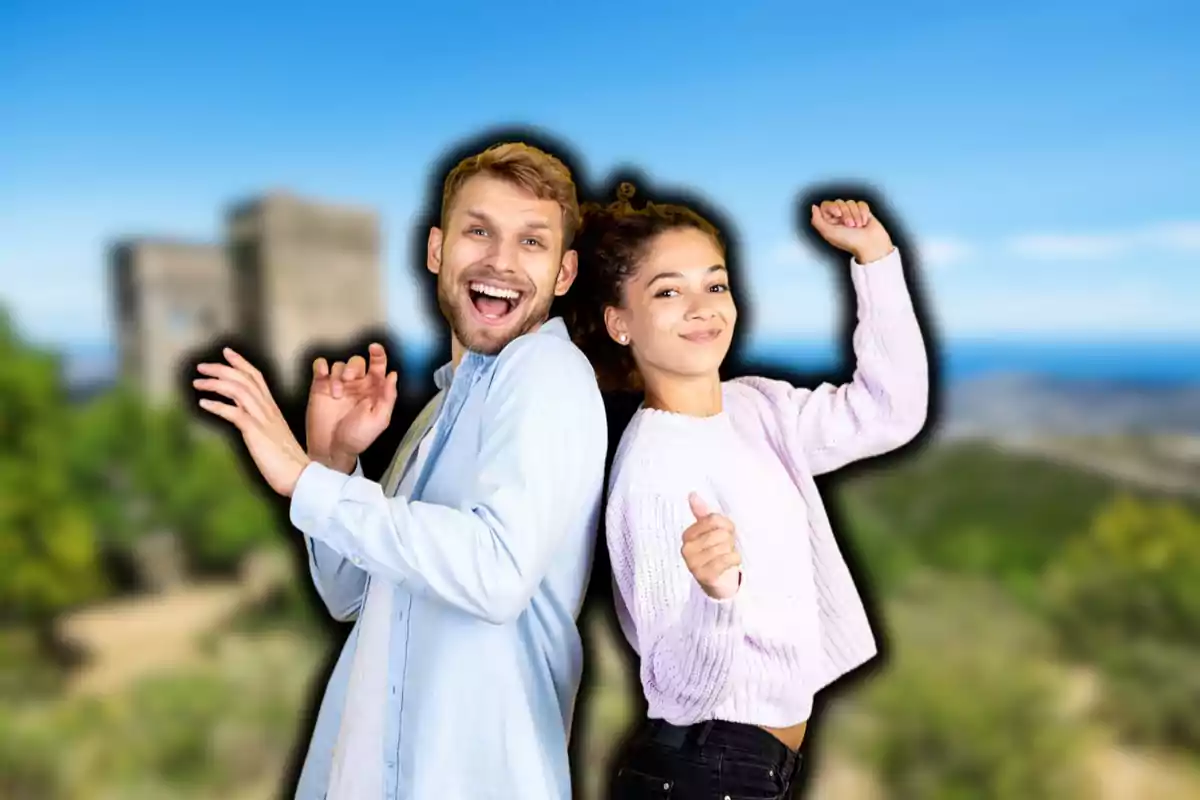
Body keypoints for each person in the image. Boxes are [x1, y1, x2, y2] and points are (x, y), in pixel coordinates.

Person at [193, 142, 609, 800]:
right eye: (479, 231)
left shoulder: (545, 371)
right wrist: (337, 461)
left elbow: (496, 575)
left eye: (532, 241)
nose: (501, 261)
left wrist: (304, 479)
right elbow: (351, 596)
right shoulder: (444, 410)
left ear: (563, 274)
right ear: (437, 251)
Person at [563, 183, 929, 799]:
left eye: (716, 284)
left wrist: (875, 257)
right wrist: (714, 596)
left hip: (747, 768)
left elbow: (890, 413)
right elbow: (678, 691)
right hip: (704, 772)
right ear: (619, 324)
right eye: (669, 291)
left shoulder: (756, 407)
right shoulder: (652, 468)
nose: (703, 307)